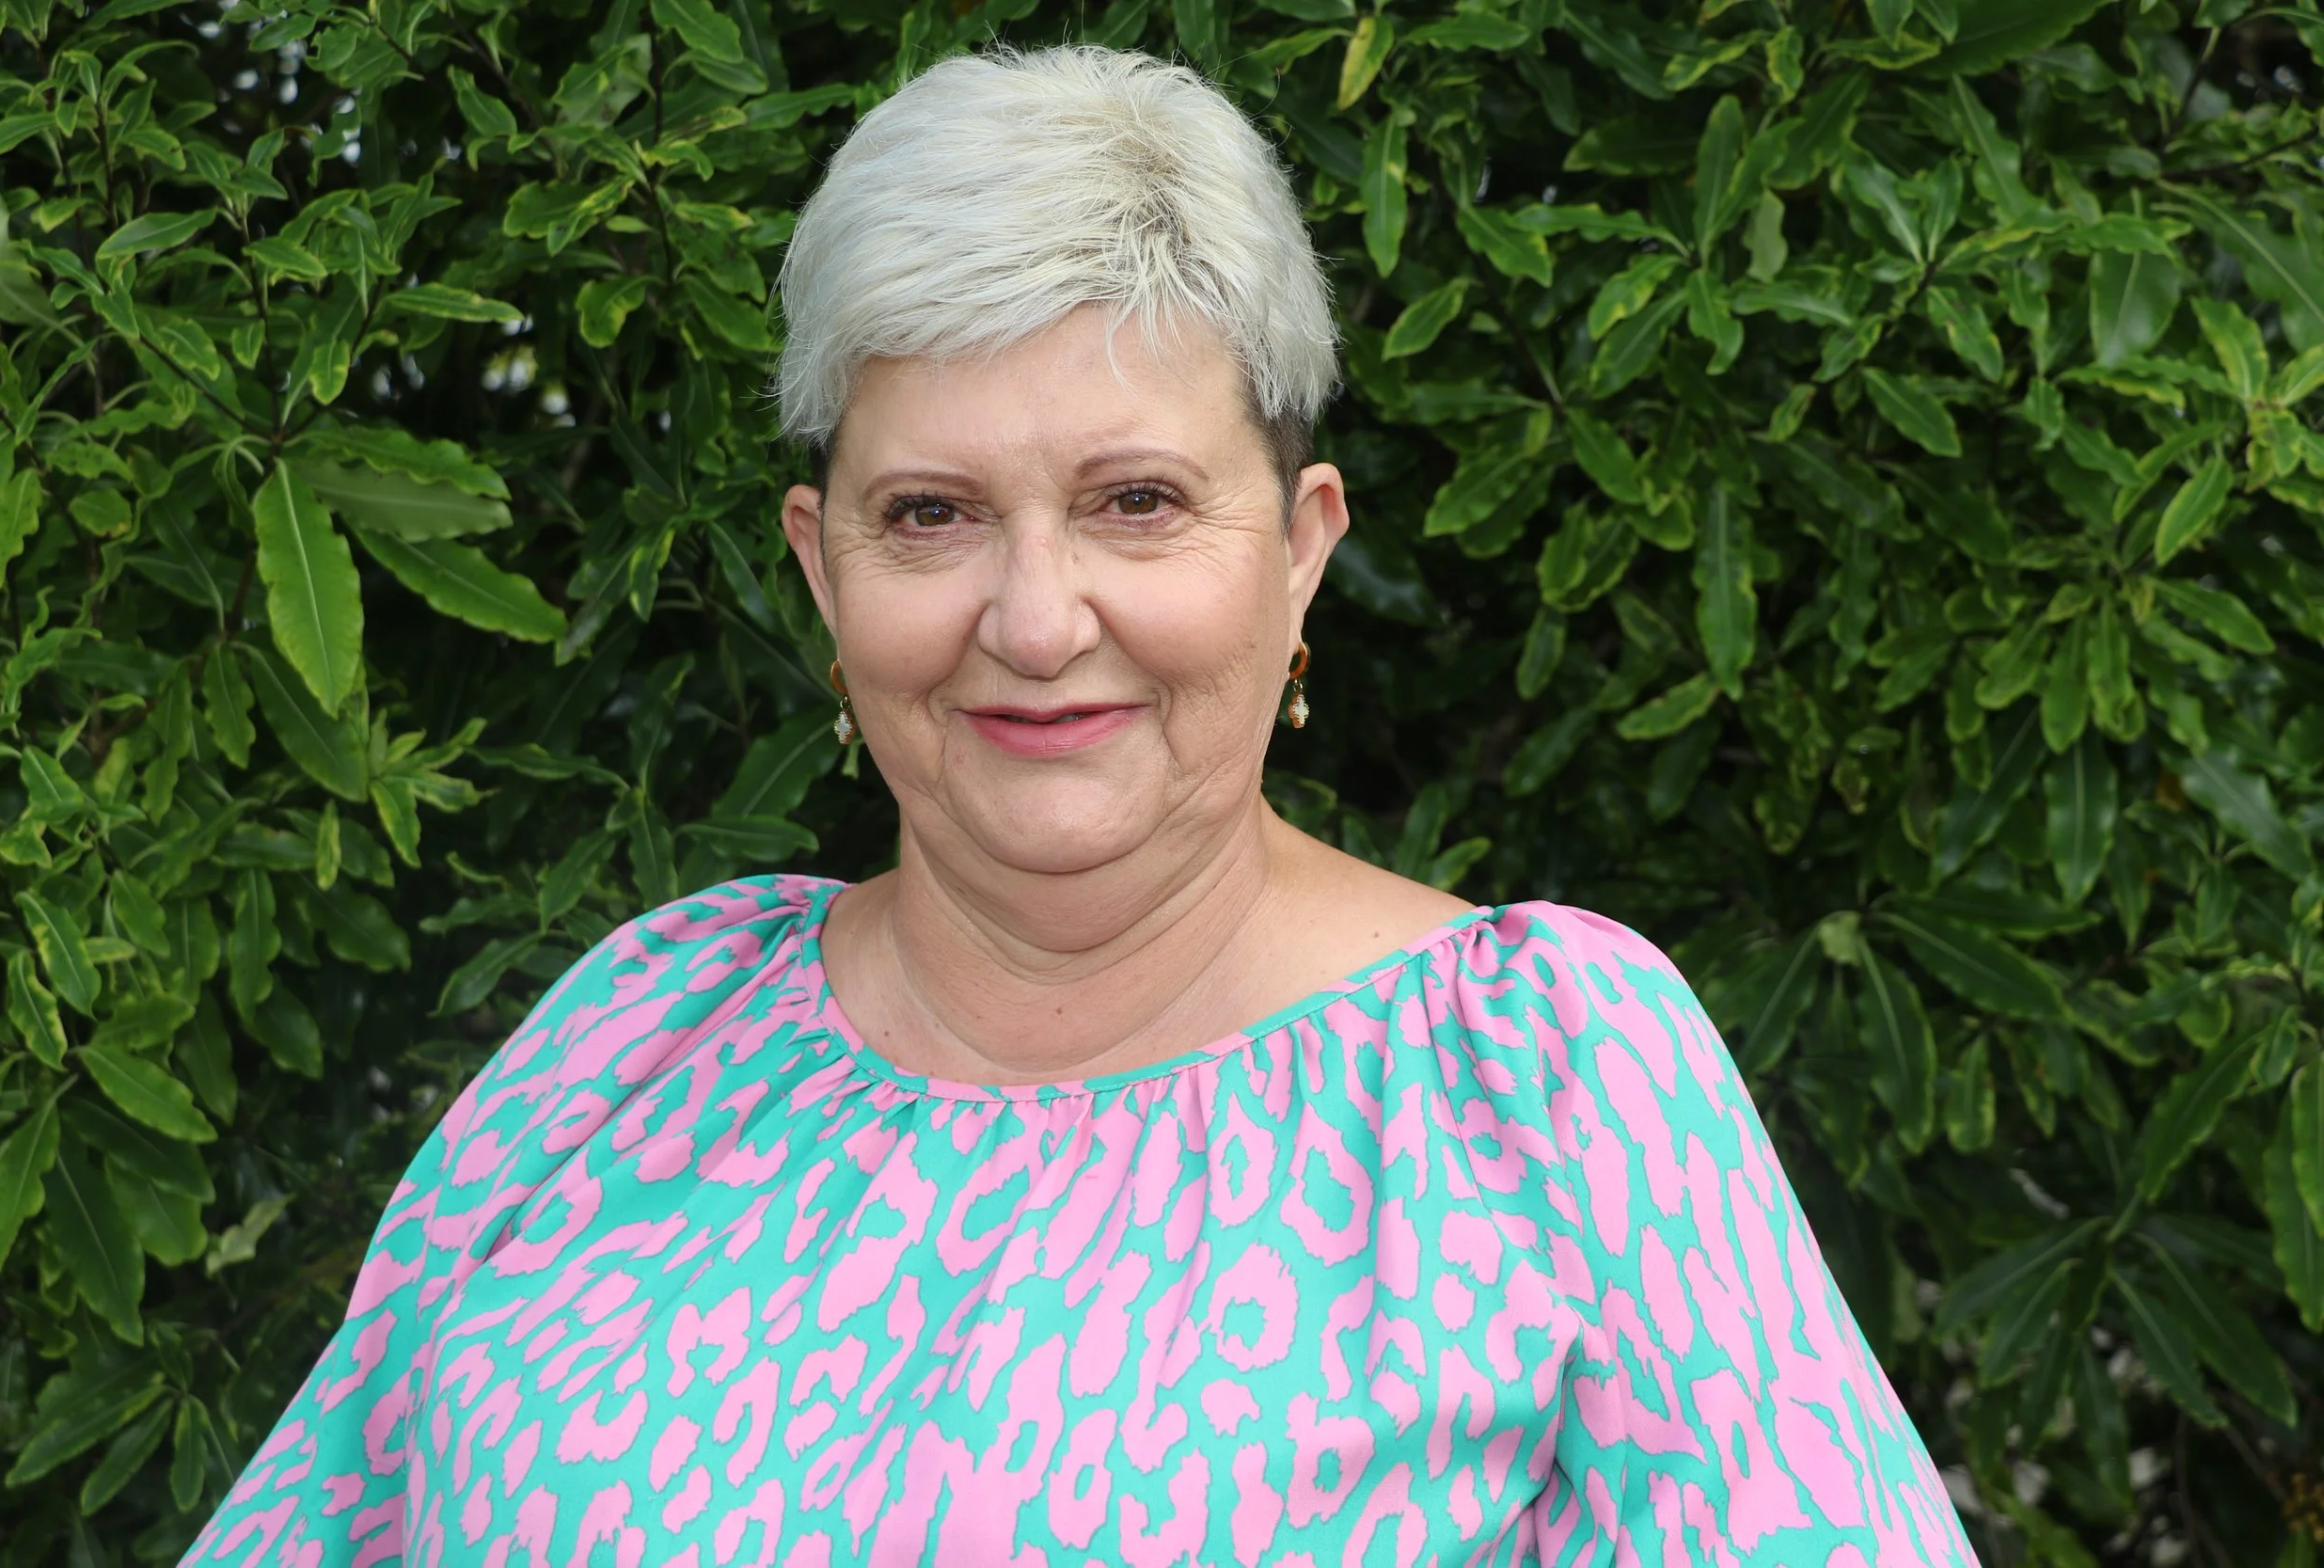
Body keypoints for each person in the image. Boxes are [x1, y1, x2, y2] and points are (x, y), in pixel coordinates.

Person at [185, 45, 1977, 1567]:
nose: (1036, 622)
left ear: (1302, 549)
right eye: (931, 514)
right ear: (821, 570)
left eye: (1136, 501)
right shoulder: (640, 1035)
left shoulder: (1537, 1082)